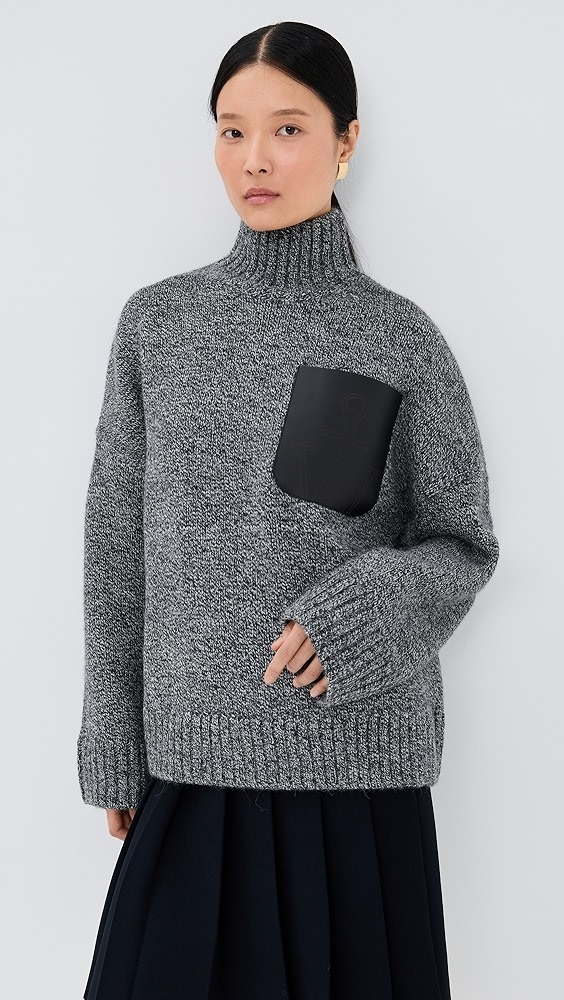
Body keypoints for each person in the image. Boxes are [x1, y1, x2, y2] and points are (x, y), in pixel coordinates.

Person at [77, 20, 500, 1000]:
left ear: (347, 142)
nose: (254, 159)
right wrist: (113, 737)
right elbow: (115, 549)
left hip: (356, 782)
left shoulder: (399, 337)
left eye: (288, 128)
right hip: (189, 774)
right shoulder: (157, 326)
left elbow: (462, 542)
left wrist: (358, 614)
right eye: (231, 131)